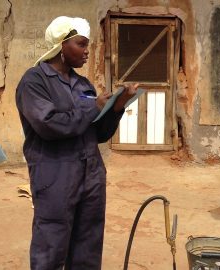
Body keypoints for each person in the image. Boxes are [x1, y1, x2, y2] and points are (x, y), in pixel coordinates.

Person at [15, 16, 138, 270]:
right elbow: (49, 125)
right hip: (55, 176)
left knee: (87, 248)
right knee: (51, 247)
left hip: (91, 176)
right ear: (62, 46)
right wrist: (93, 107)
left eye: (87, 45)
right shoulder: (35, 81)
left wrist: (116, 107)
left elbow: (98, 134)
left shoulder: (83, 84)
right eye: (81, 45)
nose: (86, 52)